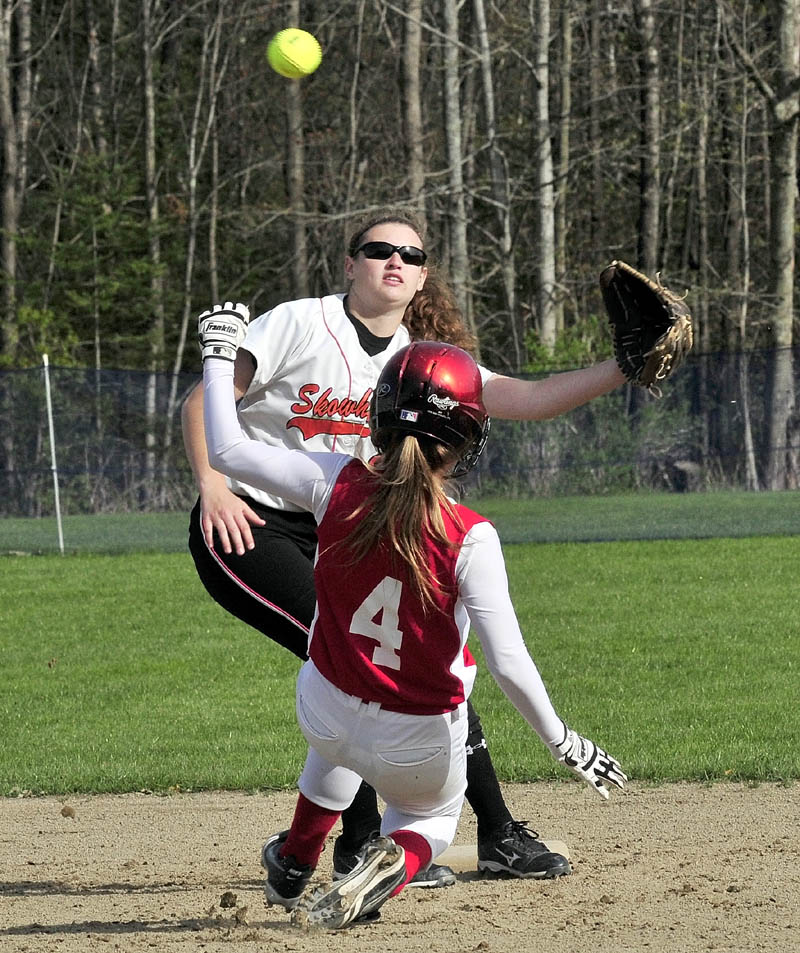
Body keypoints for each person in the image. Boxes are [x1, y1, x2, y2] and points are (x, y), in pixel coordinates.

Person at [181, 208, 627, 885]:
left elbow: (531, 396)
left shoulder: (420, 362)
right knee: (351, 659)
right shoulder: (298, 322)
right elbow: (206, 402)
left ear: (422, 278)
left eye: (412, 256)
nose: (396, 261)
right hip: (257, 522)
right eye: (379, 249)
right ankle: (361, 844)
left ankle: (495, 834)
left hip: (354, 527)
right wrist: (214, 485)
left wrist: (623, 367)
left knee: (426, 653)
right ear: (350, 263)